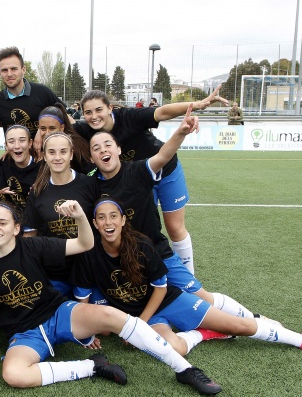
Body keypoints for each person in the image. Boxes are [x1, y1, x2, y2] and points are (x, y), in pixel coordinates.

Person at [0, 202, 222, 395]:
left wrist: (81, 216)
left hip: (59, 314)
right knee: (14, 375)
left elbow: (85, 243)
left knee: (112, 316)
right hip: (25, 333)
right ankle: (92, 366)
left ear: (16, 228)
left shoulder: (32, 246)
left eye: (3, 223)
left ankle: (184, 370)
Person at [73, 199, 302, 361]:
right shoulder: (89, 254)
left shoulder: (142, 245)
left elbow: (160, 287)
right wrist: (88, 334)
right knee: (176, 349)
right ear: (95, 224)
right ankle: (203, 334)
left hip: (167, 302)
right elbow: (84, 301)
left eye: (113, 216)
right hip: (143, 316)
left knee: (240, 326)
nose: (107, 222)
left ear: (122, 220)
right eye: (101, 218)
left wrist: (139, 326)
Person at [86, 106, 262, 320]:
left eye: (108, 145)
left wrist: (180, 132)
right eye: (96, 148)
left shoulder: (137, 171)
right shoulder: (92, 187)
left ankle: (255, 320)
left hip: (156, 252)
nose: (103, 150)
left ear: (119, 150)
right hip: (125, 260)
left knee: (201, 296)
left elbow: (163, 155)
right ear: (92, 158)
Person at [76, 88, 230, 273]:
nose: (94, 116)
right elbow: (59, 122)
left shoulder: (129, 117)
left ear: (110, 108)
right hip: (138, 180)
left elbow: (162, 112)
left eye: (98, 109)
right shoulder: (84, 130)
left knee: (174, 227)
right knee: (142, 227)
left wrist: (197, 105)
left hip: (165, 169)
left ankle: (188, 275)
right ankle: (148, 274)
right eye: (88, 112)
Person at [24, 132, 100, 297]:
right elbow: (30, 237)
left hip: (88, 266)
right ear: (44, 156)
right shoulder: (37, 192)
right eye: (51, 152)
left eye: (63, 151)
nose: (57, 157)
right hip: (54, 271)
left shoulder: (89, 184)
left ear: (71, 154)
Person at [0, 46, 64, 137]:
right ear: (0, 73)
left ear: (23, 69)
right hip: (16, 151)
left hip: (45, 151)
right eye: (4, 70)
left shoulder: (42, 92)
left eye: (14, 69)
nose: (9, 74)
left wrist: (41, 132)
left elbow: (65, 117)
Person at [0, 125, 41, 211]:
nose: (17, 146)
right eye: (11, 142)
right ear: (6, 145)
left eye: (22, 140)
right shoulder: (2, 166)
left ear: (30, 143)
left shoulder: (42, 167)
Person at [36, 104, 93, 173]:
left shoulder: (75, 148)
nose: (47, 133)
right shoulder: (36, 148)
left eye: (52, 128)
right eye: (43, 128)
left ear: (62, 128)